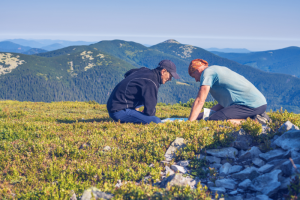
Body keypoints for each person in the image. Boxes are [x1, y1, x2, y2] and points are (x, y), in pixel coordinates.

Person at [187, 59, 269, 124]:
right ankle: (254, 117)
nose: (196, 80)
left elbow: (199, 101)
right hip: (259, 104)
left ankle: (255, 121)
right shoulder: (217, 69)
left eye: (194, 76)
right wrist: (201, 115)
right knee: (214, 116)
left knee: (214, 120)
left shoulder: (207, 73)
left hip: (250, 105)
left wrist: (190, 124)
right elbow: (225, 103)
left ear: (197, 70)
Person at [107, 60, 180, 124]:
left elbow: (128, 73)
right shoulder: (151, 82)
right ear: (163, 71)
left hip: (114, 106)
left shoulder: (144, 70)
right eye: (170, 76)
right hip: (119, 111)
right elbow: (150, 112)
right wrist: (144, 113)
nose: (170, 79)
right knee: (155, 121)